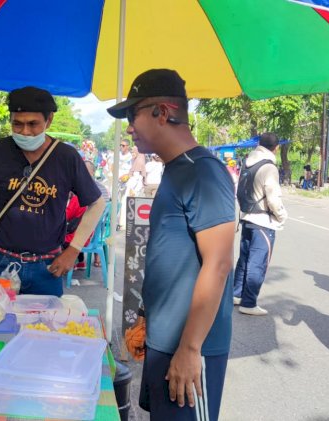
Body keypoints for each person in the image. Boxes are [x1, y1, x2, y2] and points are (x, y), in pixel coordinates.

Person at [108, 69, 235, 421]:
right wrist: (150, 319)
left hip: (190, 349)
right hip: (164, 341)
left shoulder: (203, 172)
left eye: (133, 116)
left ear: (162, 112)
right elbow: (175, 261)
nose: (129, 127)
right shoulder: (174, 170)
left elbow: (219, 264)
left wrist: (191, 348)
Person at [0, 87, 106, 297]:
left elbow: (97, 203)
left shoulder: (65, 157)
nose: (25, 132)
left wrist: (73, 250)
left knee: (46, 327)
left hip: (47, 267)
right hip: (0, 263)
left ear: (48, 120)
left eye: (33, 124)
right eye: (17, 124)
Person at [233, 132, 288, 316]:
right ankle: (249, 303)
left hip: (247, 217)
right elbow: (272, 197)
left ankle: (236, 294)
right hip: (263, 221)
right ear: (276, 147)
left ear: (259, 144)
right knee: (258, 263)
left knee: (244, 260)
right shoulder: (269, 167)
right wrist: (281, 216)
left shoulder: (248, 162)